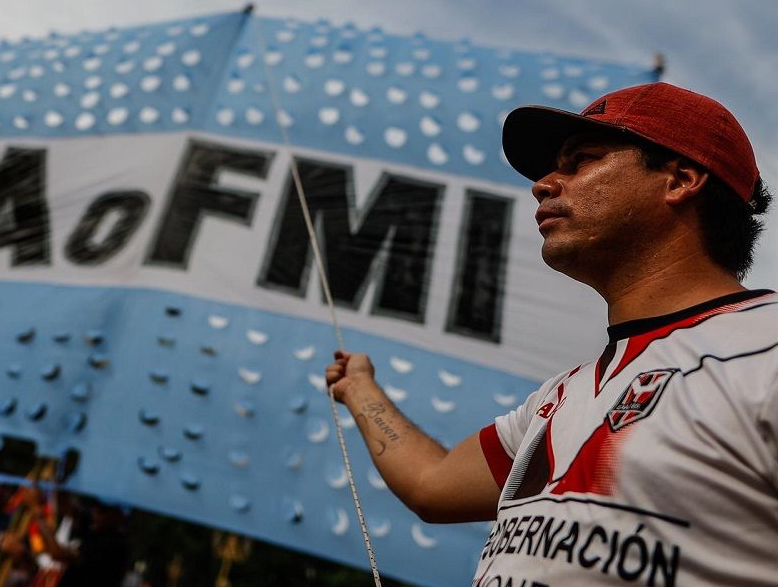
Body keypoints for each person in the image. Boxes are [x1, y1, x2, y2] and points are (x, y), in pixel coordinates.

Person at [325, 83, 775, 585]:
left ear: (680, 179)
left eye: (580, 160)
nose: (543, 184)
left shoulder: (765, 352)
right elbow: (432, 486)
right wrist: (358, 387)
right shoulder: (561, 397)